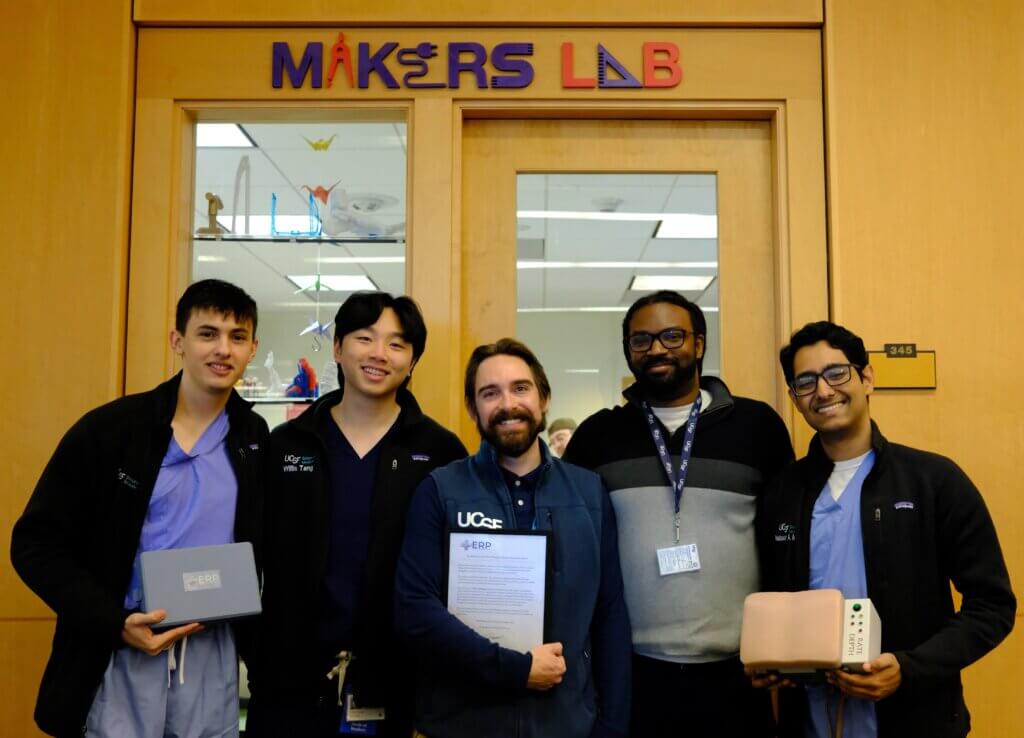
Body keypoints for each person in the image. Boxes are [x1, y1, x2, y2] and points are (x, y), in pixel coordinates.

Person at [11, 279, 268, 737]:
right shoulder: (111, 431)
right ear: (178, 341)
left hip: (212, 651)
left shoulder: (253, 438)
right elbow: (35, 544)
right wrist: (113, 622)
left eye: (238, 336)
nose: (223, 349)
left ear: (253, 348)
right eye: (207, 334)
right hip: (121, 647)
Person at [755, 321, 1016, 737]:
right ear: (794, 398)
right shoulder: (781, 493)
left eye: (836, 373)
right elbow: (774, 600)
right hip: (812, 720)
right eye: (805, 382)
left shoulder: (933, 481)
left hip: (916, 718)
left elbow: (993, 606)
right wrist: (771, 659)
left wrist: (909, 669)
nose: (823, 391)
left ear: (867, 378)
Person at [562, 290, 794, 737]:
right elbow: (575, 547)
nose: (656, 349)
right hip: (631, 671)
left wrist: (782, 645)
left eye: (672, 336)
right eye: (641, 340)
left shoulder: (756, 427)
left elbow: (785, 540)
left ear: (700, 344)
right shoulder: (598, 436)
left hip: (738, 671)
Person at [245, 292, 466, 738]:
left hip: (399, 679)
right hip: (289, 680)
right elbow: (248, 549)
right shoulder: (287, 444)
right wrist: (258, 649)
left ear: (413, 361)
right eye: (365, 338)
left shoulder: (441, 452)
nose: (379, 354)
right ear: (338, 347)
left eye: (397, 344)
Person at [395, 338, 631, 738]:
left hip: (568, 725)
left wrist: (611, 726)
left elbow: (609, 615)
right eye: (490, 393)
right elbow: (415, 610)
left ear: (544, 398)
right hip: (460, 724)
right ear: (473, 408)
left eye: (521, 388)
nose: (508, 404)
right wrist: (517, 669)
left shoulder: (590, 493)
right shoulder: (440, 490)